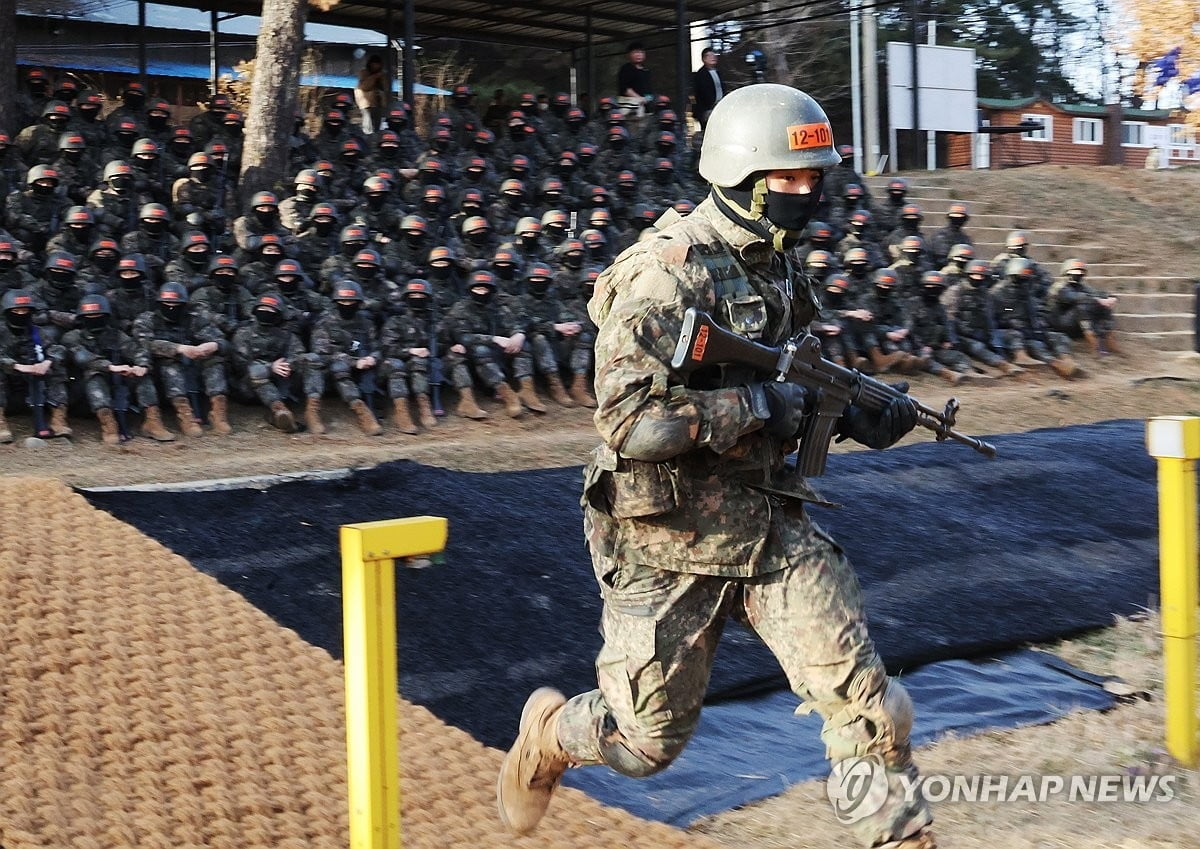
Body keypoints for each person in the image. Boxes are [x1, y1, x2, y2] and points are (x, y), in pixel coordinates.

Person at [496, 83, 935, 849]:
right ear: (744, 176)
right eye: (792, 179)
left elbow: (799, 378)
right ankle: (548, 735)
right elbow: (627, 421)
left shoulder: (781, 264)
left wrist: (861, 415)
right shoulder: (663, 276)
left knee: (872, 707)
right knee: (643, 745)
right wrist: (761, 409)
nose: (810, 192)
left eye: (815, 178)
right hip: (667, 536)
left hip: (769, 525)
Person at [354, 55, 388, 137]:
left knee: (378, 126)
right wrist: (375, 77)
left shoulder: (382, 75)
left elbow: (385, 87)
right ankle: (368, 137)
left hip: (379, 104)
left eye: (377, 64)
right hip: (367, 104)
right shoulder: (364, 73)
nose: (375, 66)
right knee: (368, 124)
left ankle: (376, 137)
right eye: (374, 64)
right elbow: (364, 86)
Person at [691, 47, 724, 130]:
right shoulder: (701, 74)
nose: (713, 58)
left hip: (719, 106)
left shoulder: (718, 72)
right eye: (709, 56)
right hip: (707, 109)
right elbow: (703, 92)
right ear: (704, 59)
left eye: (714, 55)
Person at [616, 42, 652, 118]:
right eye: (636, 52)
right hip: (630, 107)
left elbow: (649, 89)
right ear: (629, 54)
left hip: (646, 108)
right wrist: (639, 98)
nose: (639, 55)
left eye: (641, 52)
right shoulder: (626, 68)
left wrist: (648, 99)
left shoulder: (646, 70)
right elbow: (625, 88)